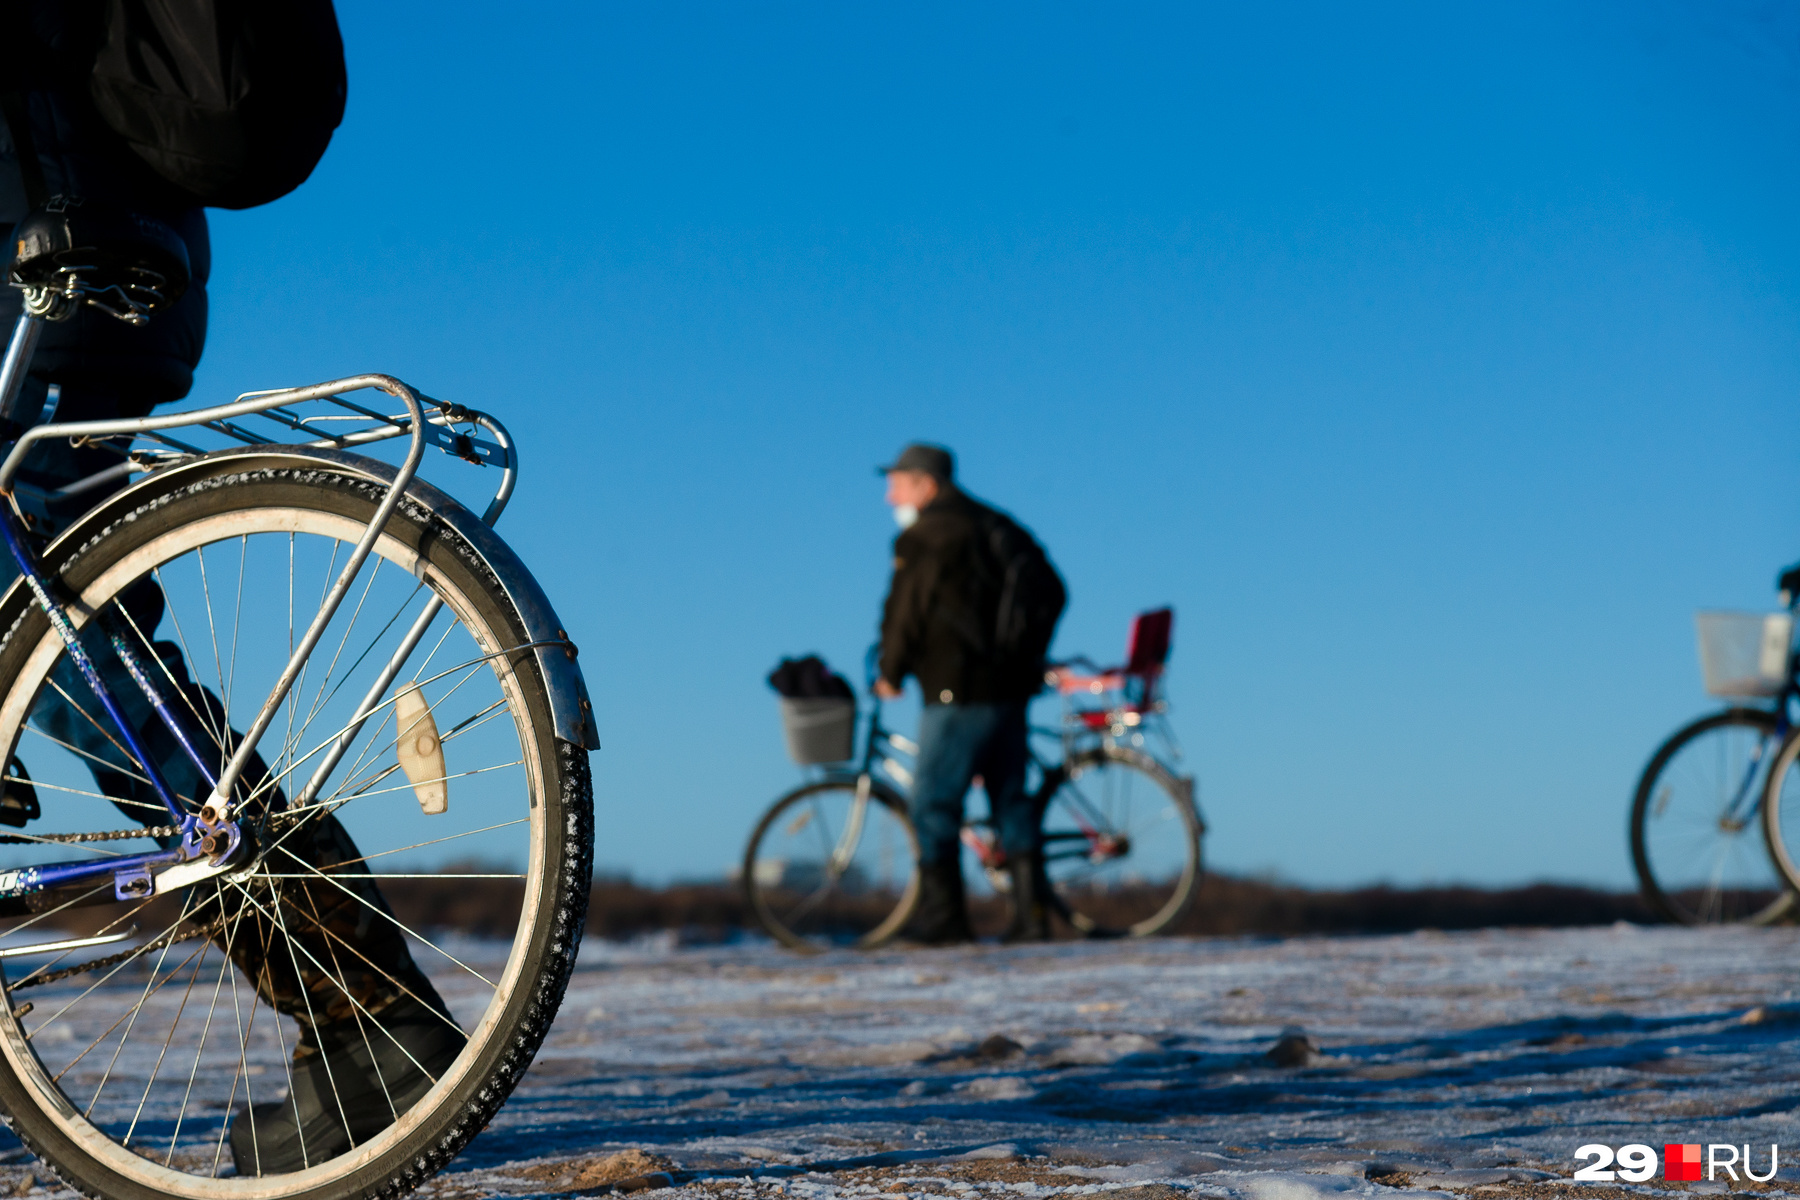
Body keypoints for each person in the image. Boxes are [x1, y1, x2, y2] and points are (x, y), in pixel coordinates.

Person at [0, 10, 459, 1175]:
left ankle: (366, 1016)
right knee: (69, 641)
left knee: (71, 664)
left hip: (35, 245)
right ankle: (366, 1016)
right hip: (126, 254)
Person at [875, 442, 1062, 944]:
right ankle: (1031, 918)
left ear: (925, 484)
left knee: (933, 804)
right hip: (1009, 687)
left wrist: (889, 670)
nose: (890, 494)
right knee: (1009, 798)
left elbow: (905, 610)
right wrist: (1023, 655)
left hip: (955, 689)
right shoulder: (995, 524)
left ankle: (945, 922)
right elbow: (1052, 587)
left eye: (896, 482)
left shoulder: (928, 535)